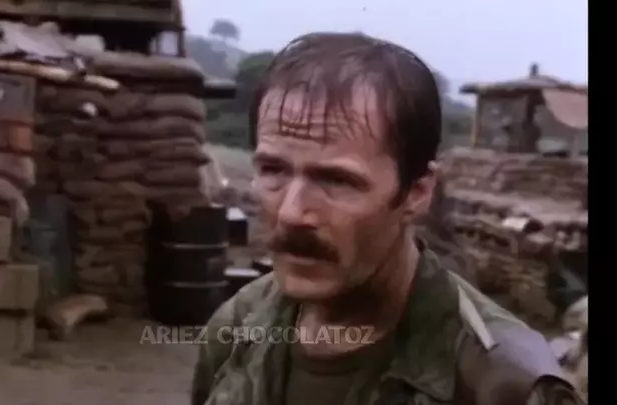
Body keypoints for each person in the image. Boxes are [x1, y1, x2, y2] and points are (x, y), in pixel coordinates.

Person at [191, 32, 584, 405]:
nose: (292, 213)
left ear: (417, 192)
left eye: (335, 180)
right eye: (273, 170)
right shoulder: (237, 327)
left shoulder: (503, 384)